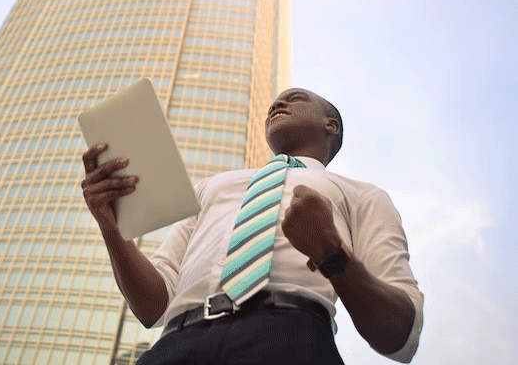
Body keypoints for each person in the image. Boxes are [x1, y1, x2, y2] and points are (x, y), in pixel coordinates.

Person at [80, 88, 423, 364]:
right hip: (173, 345)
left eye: (296, 98)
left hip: (290, 338)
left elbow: (400, 336)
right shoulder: (211, 186)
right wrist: (113, 230)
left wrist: (332, 254)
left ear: (330, 124)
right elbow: (152, 306)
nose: (278, 103)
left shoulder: (363, 195)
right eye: (275, 101)